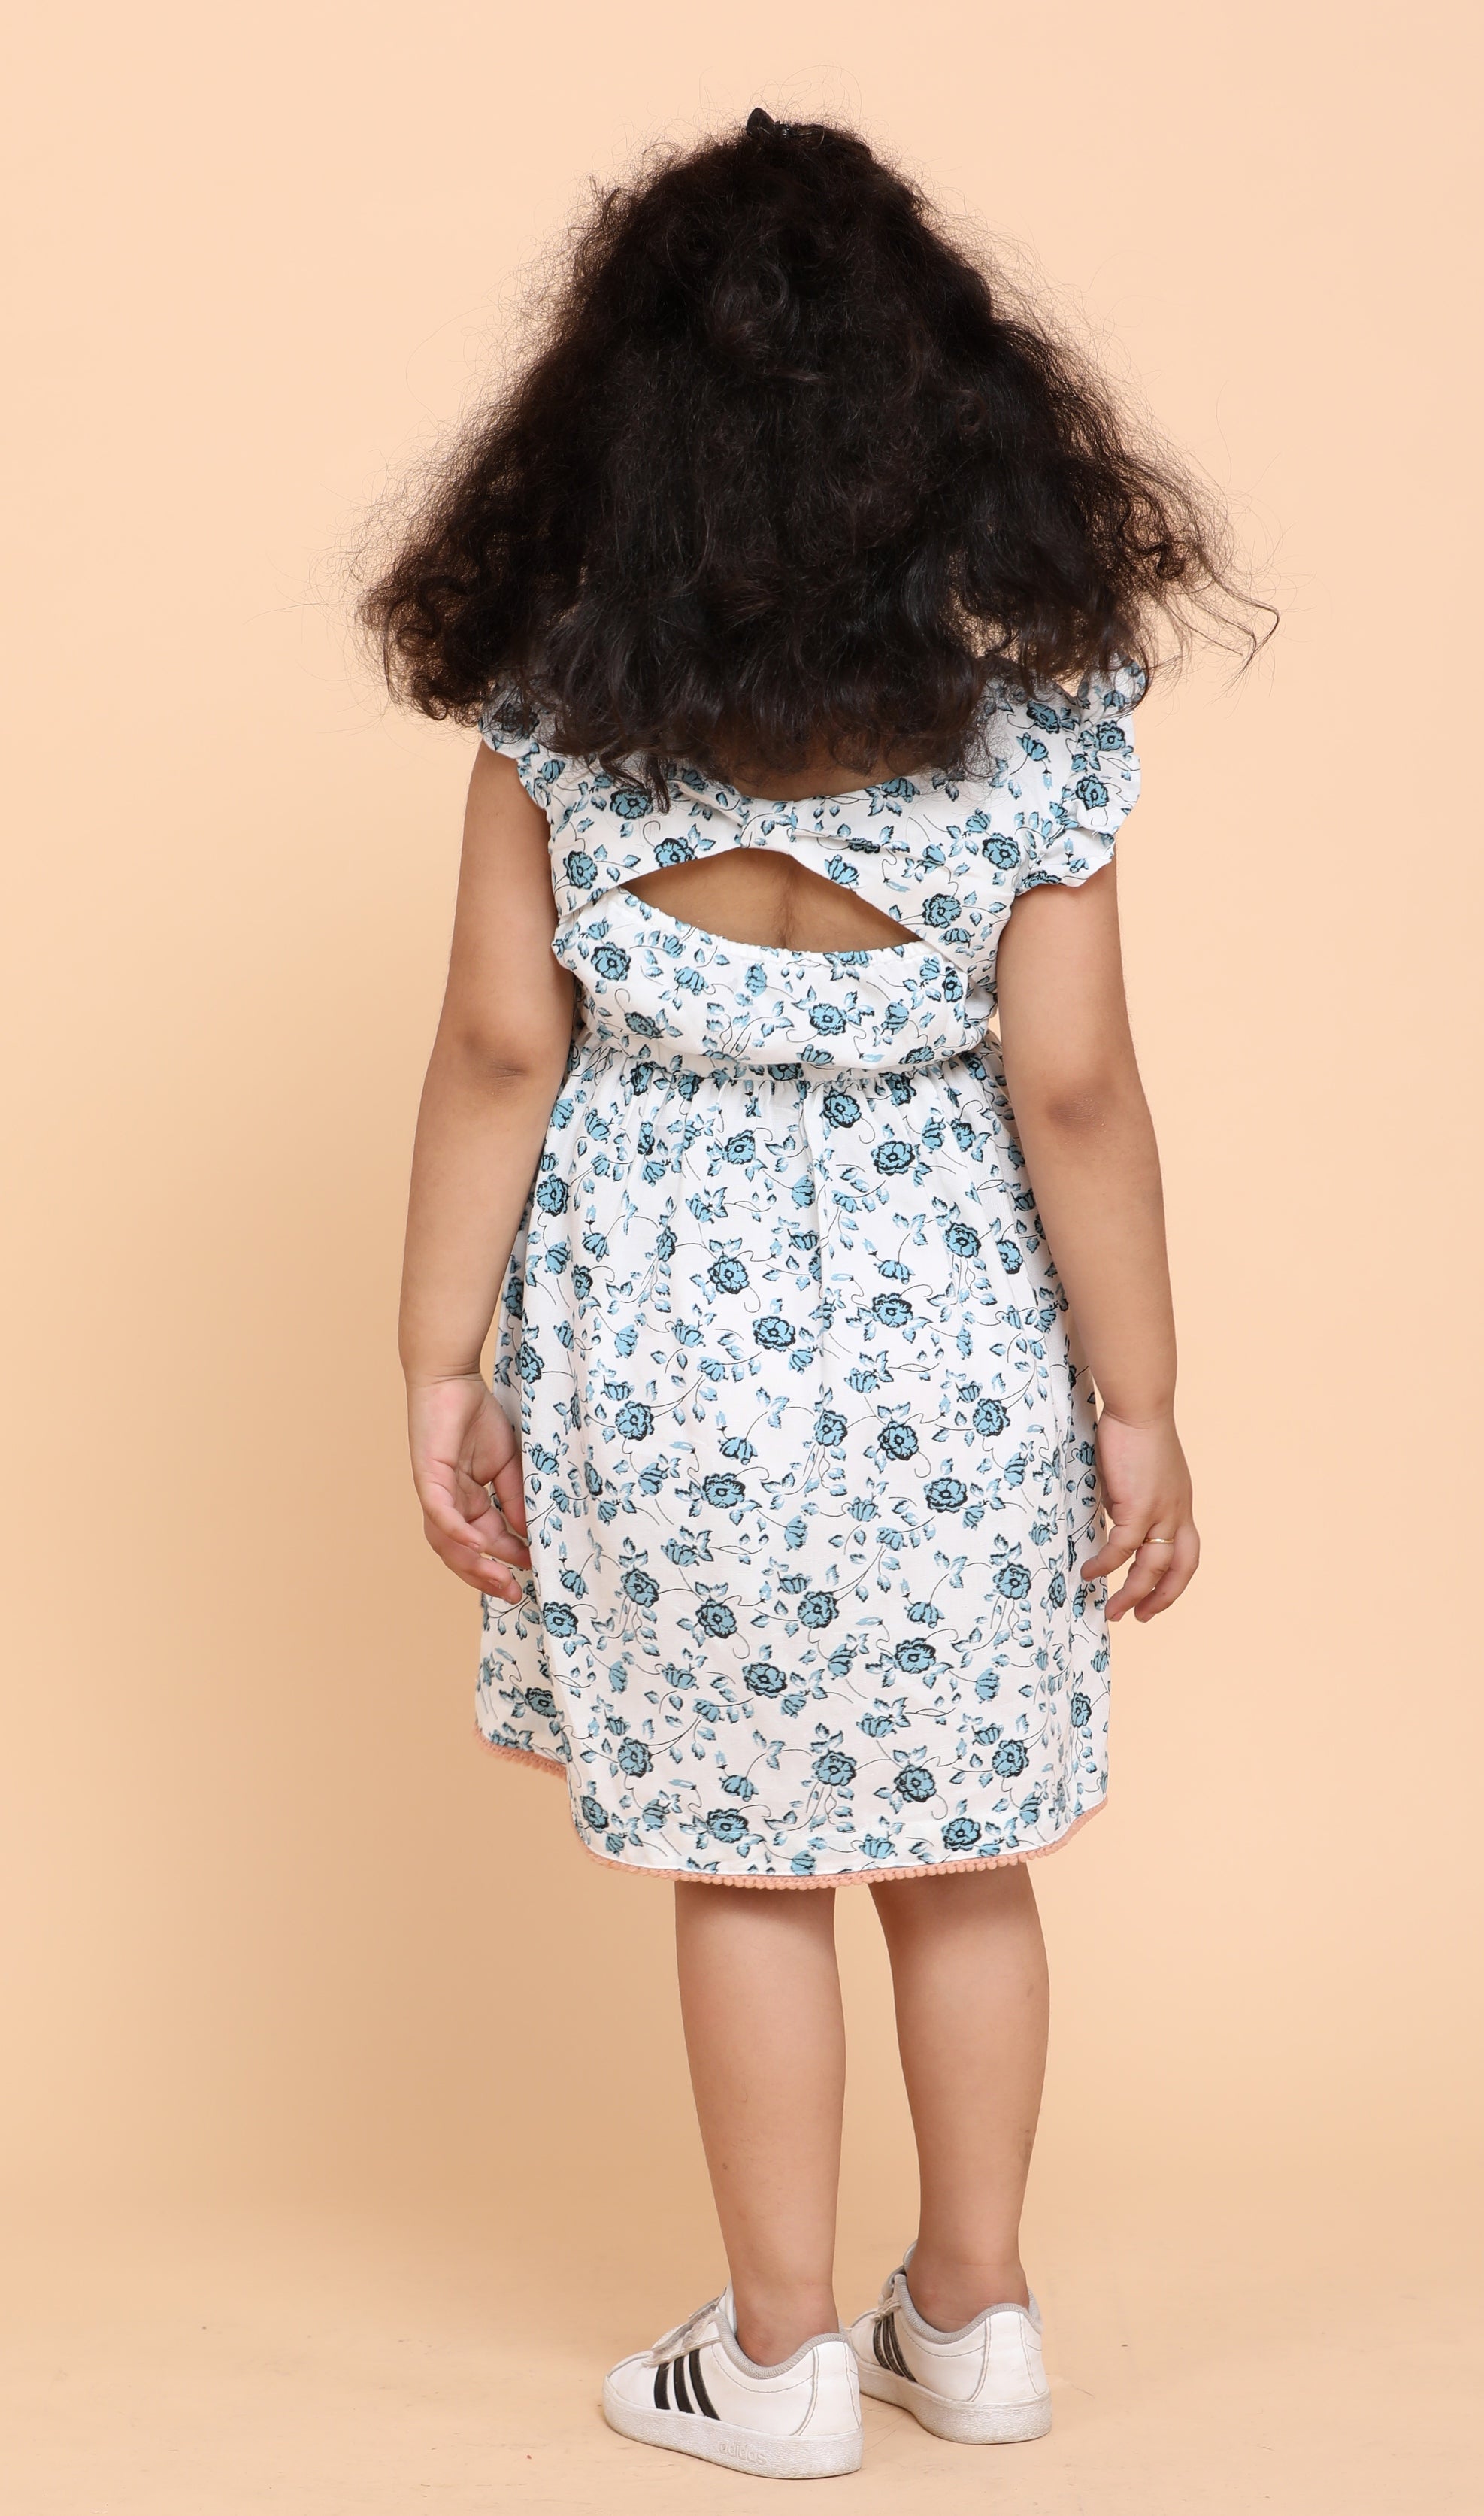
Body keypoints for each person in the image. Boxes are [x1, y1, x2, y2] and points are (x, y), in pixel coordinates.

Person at [363, 108, 1258, 2480]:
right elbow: (1075, 1099)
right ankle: (969, 2317)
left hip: (658, 1363)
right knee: (958, 1845)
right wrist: (1138, 1403)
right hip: (950, 1361)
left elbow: (489, 1047)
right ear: (940, 427)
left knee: (749, 1855)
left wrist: (438, 1357)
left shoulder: (559, 725)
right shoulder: (1030, 730)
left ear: (620, 436)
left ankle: (773, 2352)